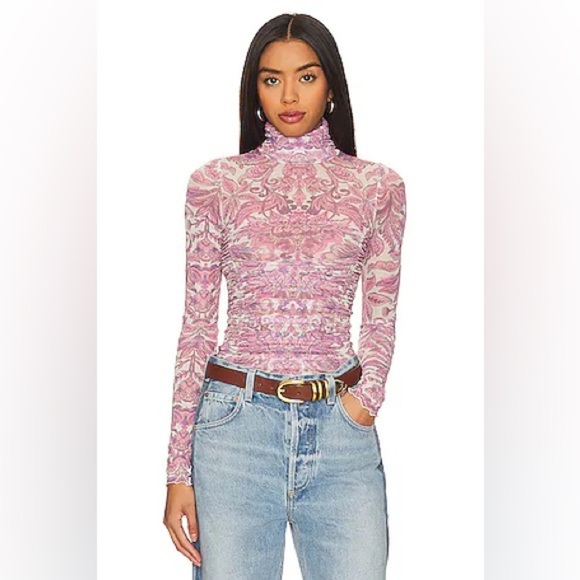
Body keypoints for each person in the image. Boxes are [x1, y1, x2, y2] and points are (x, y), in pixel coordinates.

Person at [163, 12, 407, 580]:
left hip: (342, 434)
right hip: (234, 432)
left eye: (307, 76)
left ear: (331, 86)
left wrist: (365, 402)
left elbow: (381, 315)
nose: (289, 95)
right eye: (272, 79)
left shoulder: (378, 188)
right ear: (254, 90)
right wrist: (177, 471)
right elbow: (196, 324)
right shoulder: (215, 185)